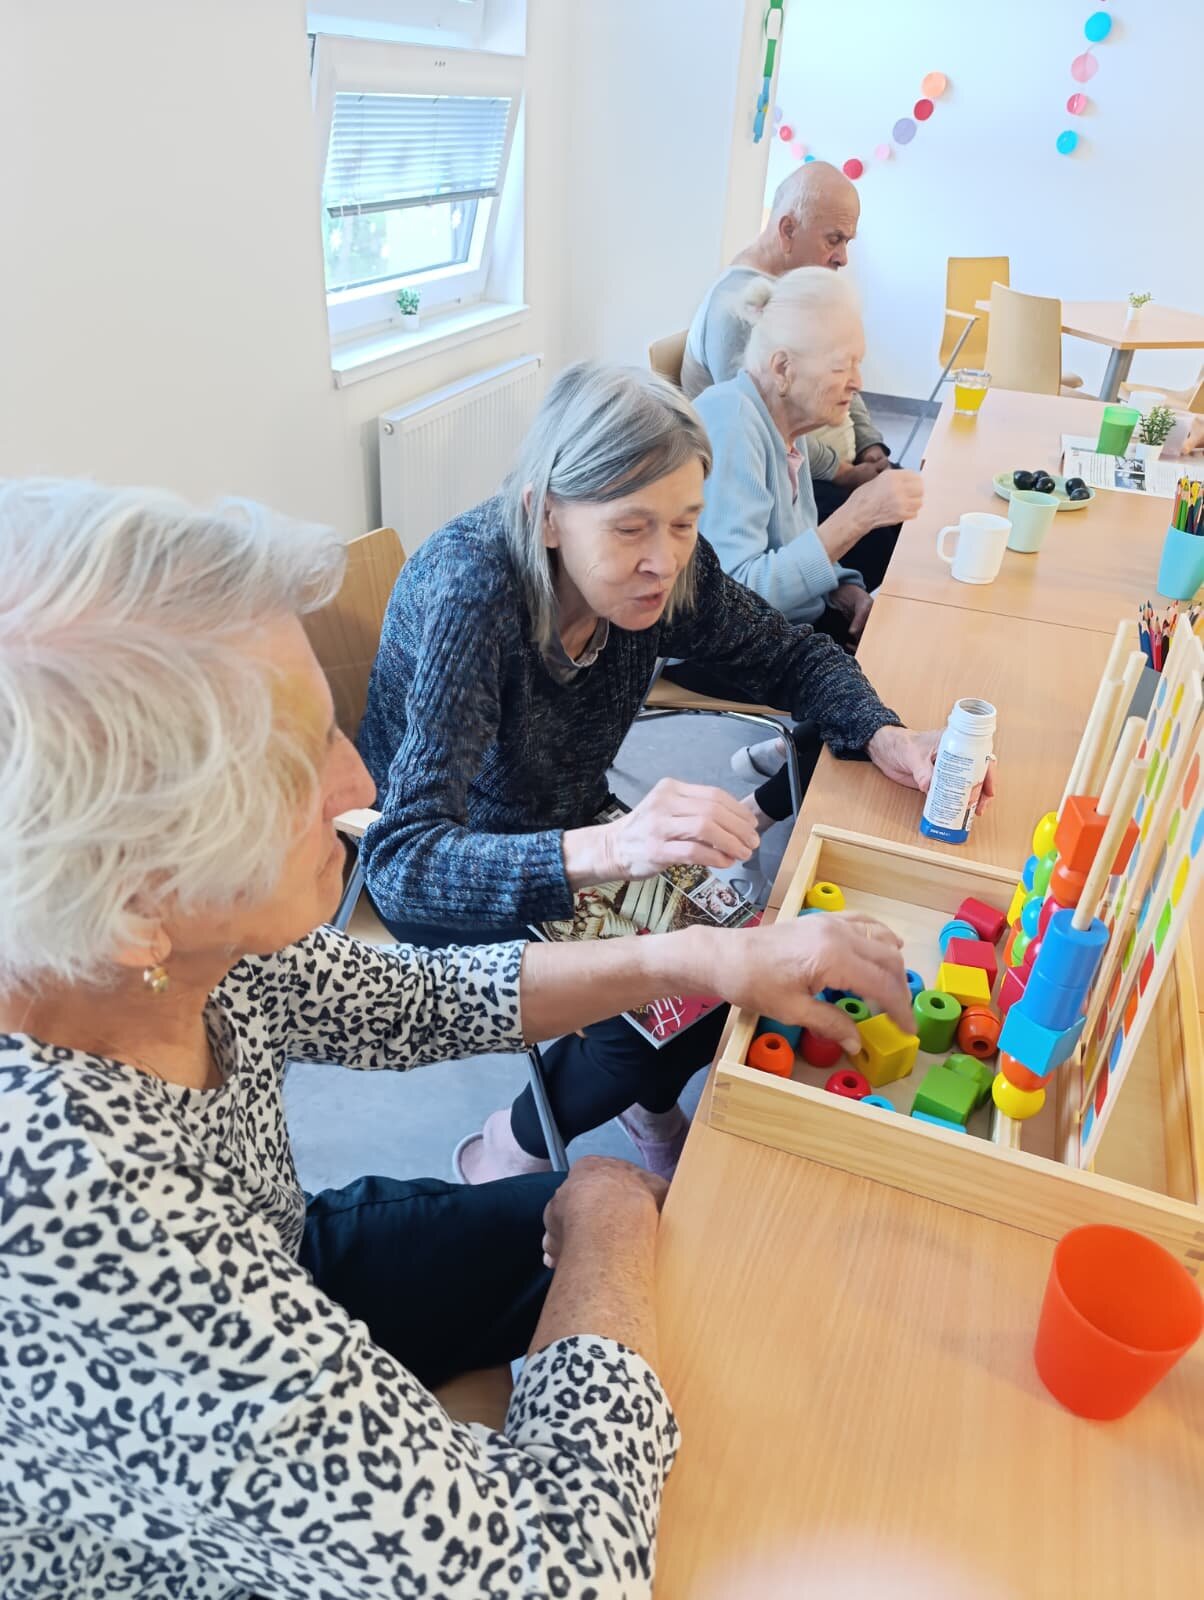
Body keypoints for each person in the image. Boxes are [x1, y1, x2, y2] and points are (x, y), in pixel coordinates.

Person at [0, 477, 918, 1599]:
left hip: (284, 1249)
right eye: (291, 764)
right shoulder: (79, 1214)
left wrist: (700, 959)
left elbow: (405, 999)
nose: (361, 782)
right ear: (131, 900)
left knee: (678, 1264)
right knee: (629, 1244)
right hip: (173, 1516)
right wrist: (605, 1215)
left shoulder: (159, 952)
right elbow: (553, 1576)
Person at [358, 362, 970, 1187]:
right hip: (460, 864)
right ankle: (509, 1146)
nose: (665, 560)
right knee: (653, 1012)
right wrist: (612, 849)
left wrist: (883, 733)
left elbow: (790, 655)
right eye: (630, 529)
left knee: (741, 962)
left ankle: (642, 1102)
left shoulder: (667, 567)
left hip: (571, 819)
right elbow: (404, 866)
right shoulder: (473, 596)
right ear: (546, 516)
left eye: (686, 523)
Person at [670, 268, 923, 815]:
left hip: (778, 625)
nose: (857, 382)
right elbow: (738, 600)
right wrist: (856, 516)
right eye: (842, 366)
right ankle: (760, 811)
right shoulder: (732, 420)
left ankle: (784, 755)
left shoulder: (784, 426)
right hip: (708, 645)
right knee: (886, 684)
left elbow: (797, 539)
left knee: (896, 647)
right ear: (783, 368)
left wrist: (846, 591)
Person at [681, 160, 901, 592]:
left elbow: (798, 529)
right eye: (834, 239)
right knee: (895, 537)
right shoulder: (748, 402)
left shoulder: (790, 425)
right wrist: (850, 486)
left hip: (811, 498)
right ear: (787, 230)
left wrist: (870, 445)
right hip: (764, 602)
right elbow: (742, 590)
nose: (843, 257)